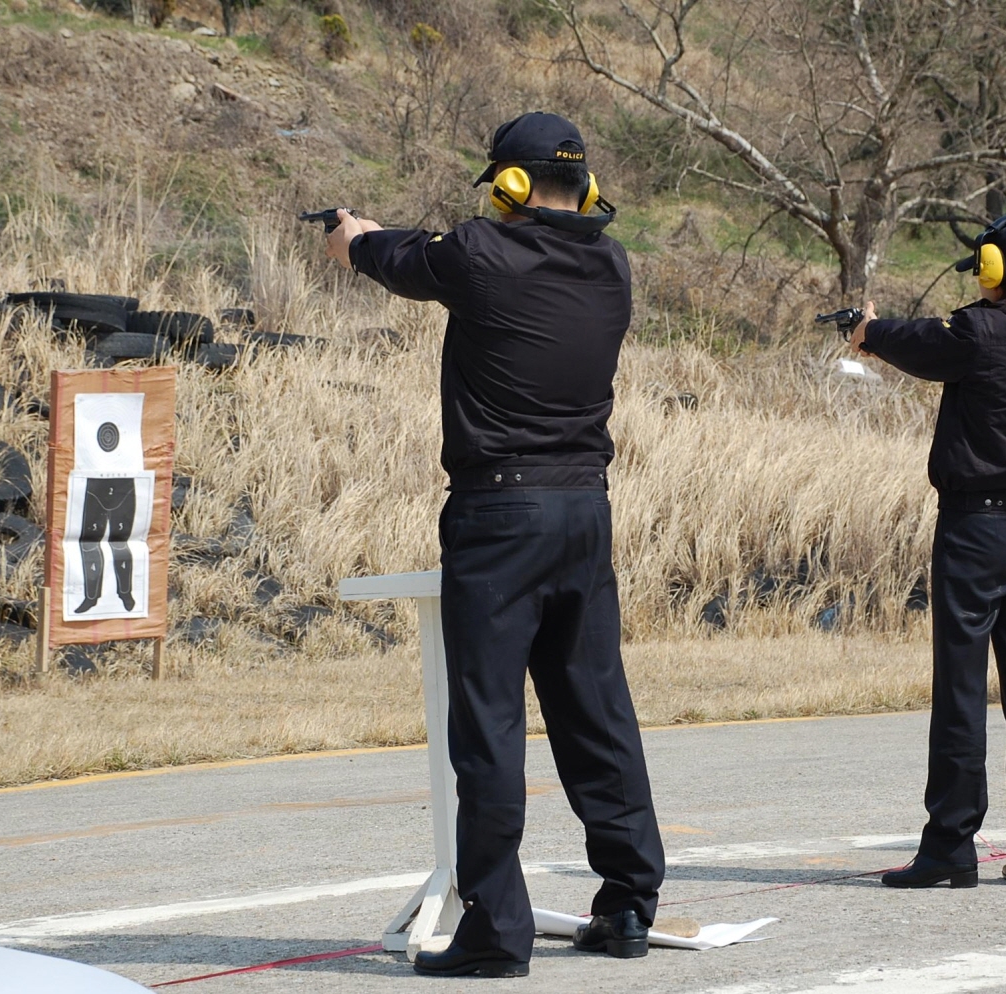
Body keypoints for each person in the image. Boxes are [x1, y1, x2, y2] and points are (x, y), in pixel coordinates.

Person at [323, 112, 665, 977]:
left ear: (510, 186)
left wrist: (352, 238)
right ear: (584, 188)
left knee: (489, 725)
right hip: (586, 512)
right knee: (596, 712)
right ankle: (627, 907)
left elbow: (400, 260)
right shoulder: (612, 263)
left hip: (499, 517)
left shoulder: (480, 252)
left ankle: (497, 932)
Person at [848, 214, 1006, 889]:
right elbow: (935, 342)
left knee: (959, 691)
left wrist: (866, 331)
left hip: (973, 532)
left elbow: (922, 343)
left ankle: (951, 843)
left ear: (995, 270)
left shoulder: (980, 334)